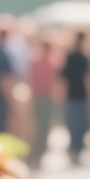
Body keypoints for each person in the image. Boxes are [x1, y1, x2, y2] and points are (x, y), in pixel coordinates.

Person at [61, 31, 90, 164]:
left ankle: (74, 149)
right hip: (80, 95)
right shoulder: (84, 57)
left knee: (72, 124)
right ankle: (77, 149)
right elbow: (87, 79)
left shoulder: (70, 56)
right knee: (80, 124)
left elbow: (64, 78)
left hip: (72, 95)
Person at [27, 35, 59, 164]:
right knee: (44, 126)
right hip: (45, 98)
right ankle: (40, 149)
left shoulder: (36, 62)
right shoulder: (53, 63)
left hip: (39, 97)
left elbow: (30, 80)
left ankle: (37, 149)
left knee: (37, 125)